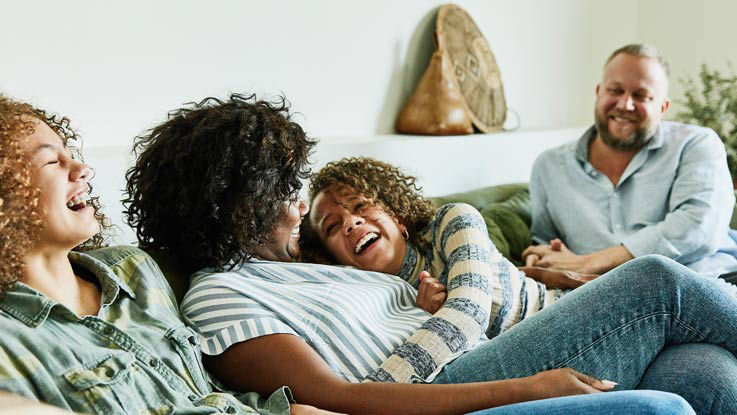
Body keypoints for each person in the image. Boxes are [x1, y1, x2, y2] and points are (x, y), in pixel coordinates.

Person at [123, 93, 737, 415]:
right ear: (242, 204)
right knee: (655, 281)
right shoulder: (220, 293)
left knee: (702, 373)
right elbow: (338, 399)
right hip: (453, 382)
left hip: (486, 344)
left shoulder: (311, 263)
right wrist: (522, 389)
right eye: (286, 187)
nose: (298, 203)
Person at [0, 95, 342, 415]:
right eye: (50, 161)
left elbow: (201, 394)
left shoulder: (133, 269)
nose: (82, 169)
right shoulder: (11, 343)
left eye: (69, 152)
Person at [305, 157, 595, 382]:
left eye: (360, 206)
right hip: (532, 370)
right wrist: (424, 316)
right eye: (332, 226)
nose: (351, 223)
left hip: (566, 318)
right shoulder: (368, 304)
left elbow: (469, 310)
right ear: (332, 259)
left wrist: (366, 398)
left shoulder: (453, 220)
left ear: (396, 216)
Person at [523, 43, 737, 278]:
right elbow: (546, 243)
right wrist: (542, 256)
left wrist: (591, 262)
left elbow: (699, 227)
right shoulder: (549, 167)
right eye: (615, 90)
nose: (625, 105)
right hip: (602, 296)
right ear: (598, 93)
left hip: (704, 282)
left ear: (663, 107)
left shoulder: (697, 144)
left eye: (641, 96)